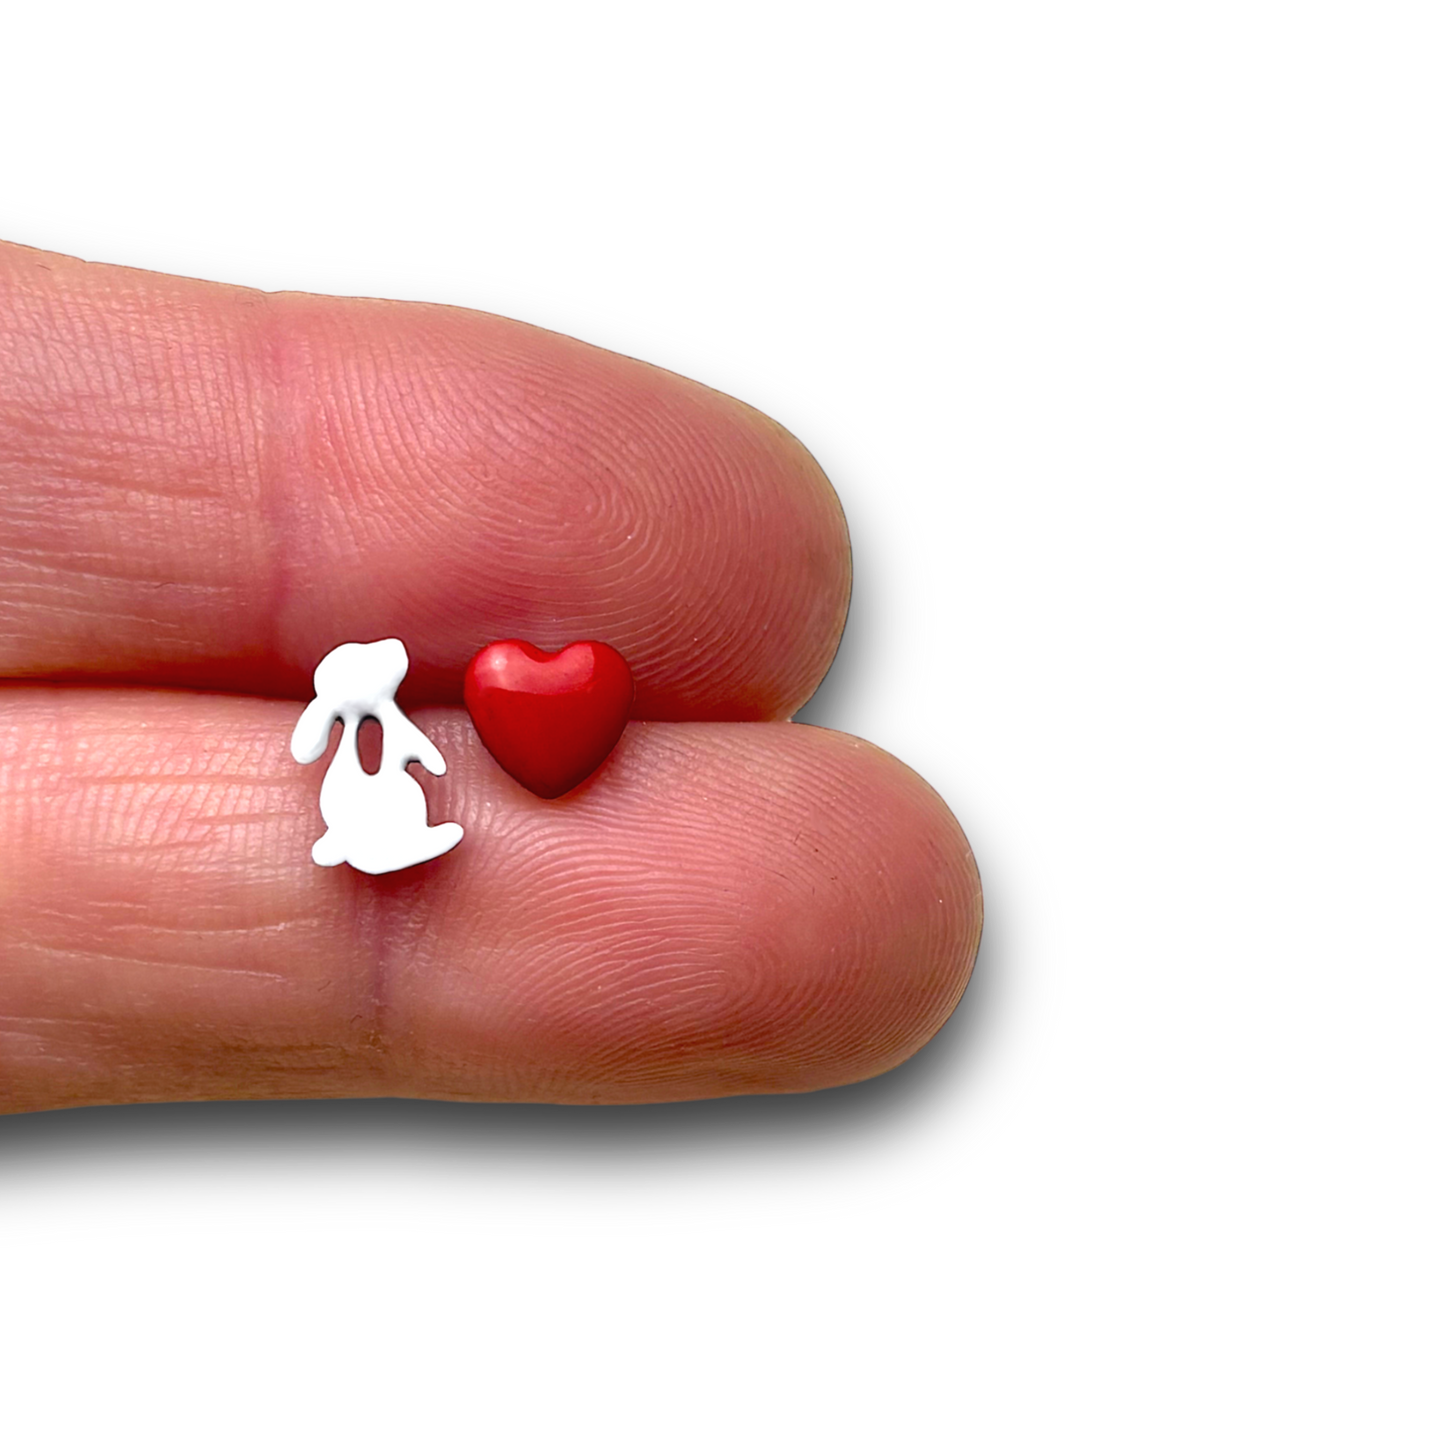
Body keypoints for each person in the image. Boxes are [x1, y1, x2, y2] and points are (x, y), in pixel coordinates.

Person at [0, 239, 982, 1115]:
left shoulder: (381, 714)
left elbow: (408, 742)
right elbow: (325, 741)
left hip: (383, 808)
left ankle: (387, 834)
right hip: (352, 811)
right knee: (364, 806)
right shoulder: (341, 724)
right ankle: (372, 836)